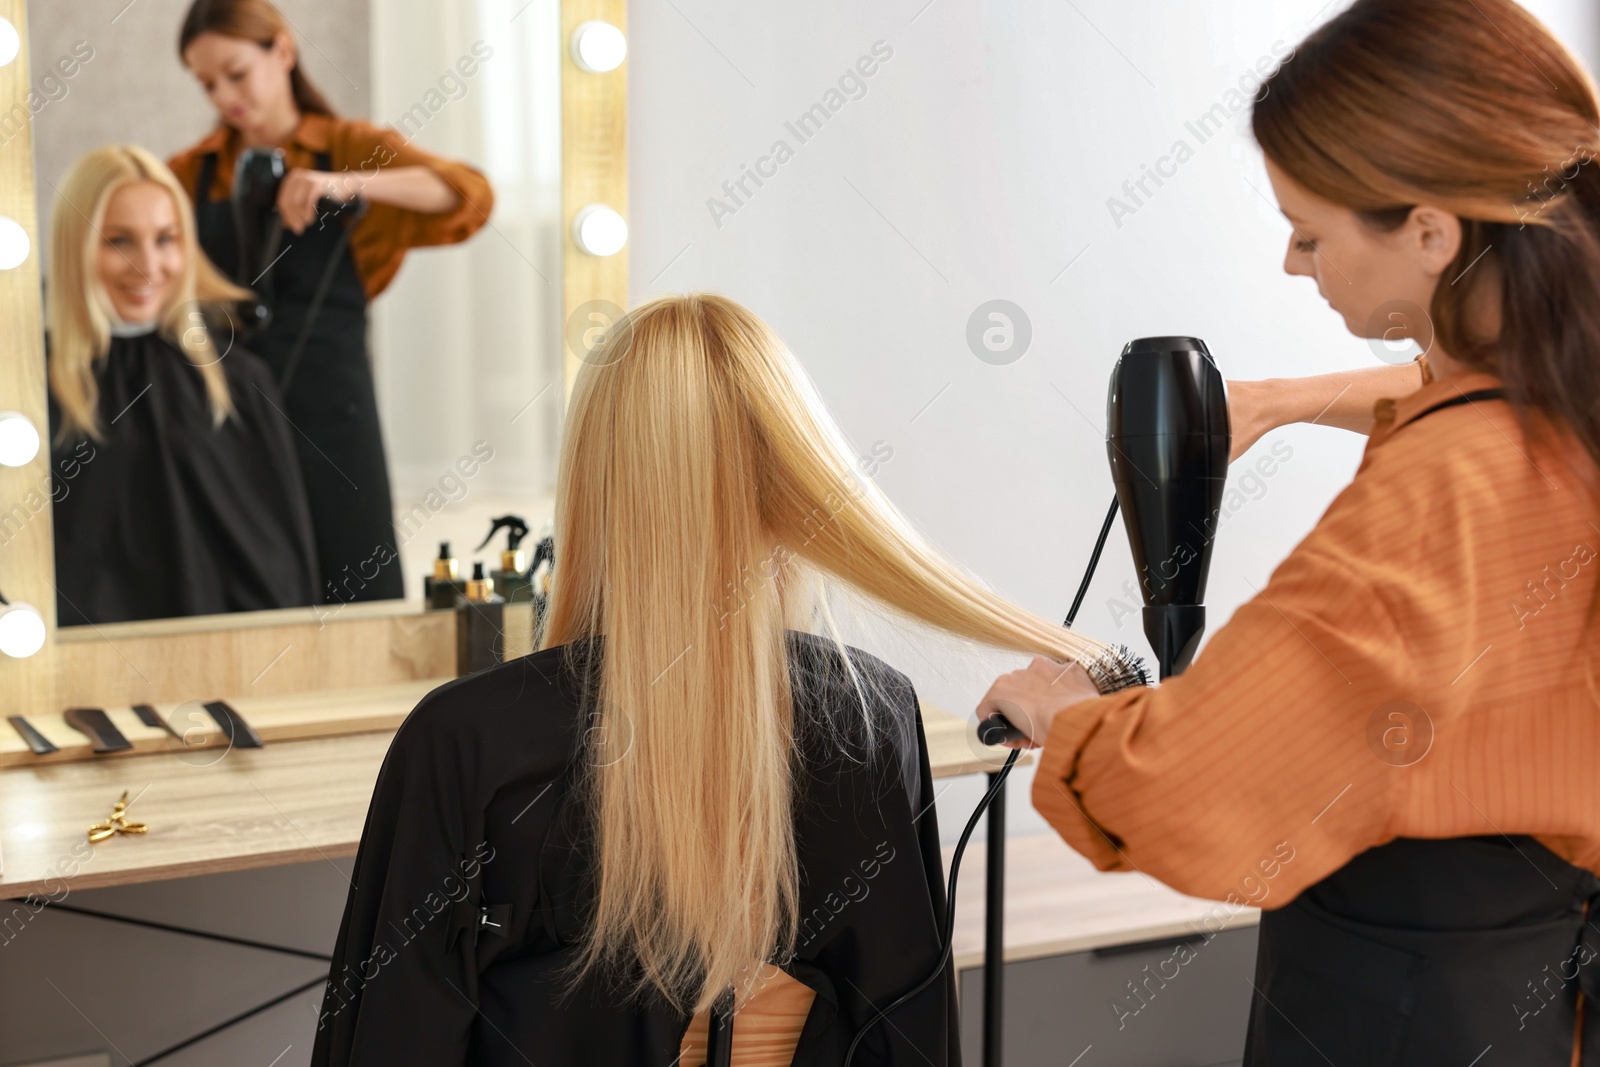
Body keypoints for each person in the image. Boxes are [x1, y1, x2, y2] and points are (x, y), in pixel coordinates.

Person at [979, 1, 1600, 1063]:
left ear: (1429, 233)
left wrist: (1070, 712)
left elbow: (1199, 784)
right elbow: (1474, 384)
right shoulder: (1566, 399)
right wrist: (1282, 399)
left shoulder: (1435, 495)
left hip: (1402, 1004)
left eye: (1308, 231)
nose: (1289, 263)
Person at [309, 294, 1123, 1066]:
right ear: (792, 486)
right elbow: (907, 1034)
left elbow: (384, 1040)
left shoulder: (466, 741)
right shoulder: (872, 715)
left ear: (596, 481)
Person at [167, 0, 495, 606]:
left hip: (332, 403)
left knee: (354, 575)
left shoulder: (347, 145)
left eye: (235, 73)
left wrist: (345, 183)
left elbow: (468, 196)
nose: (223, 97)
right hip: (225, 399)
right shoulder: (189, 174)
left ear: (283, 52)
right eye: (207, 83)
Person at [46, 144, 318, 625]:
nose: (147, 267)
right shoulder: (27, 397)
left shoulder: (237, 381)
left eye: (166, 239)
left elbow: (280, 567)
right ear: (76, 246)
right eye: (119, 242)